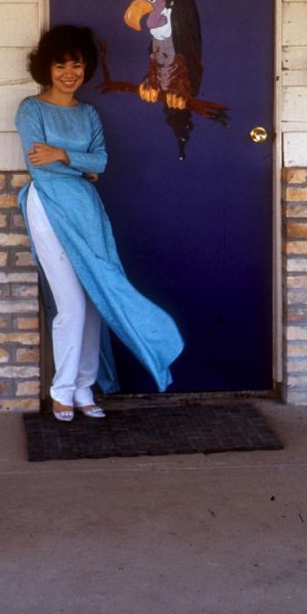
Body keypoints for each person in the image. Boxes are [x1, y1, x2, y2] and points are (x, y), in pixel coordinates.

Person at [15, 25, 184, 421]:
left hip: (88, 209)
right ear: (46, 68)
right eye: (60, 65)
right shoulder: (31, 109)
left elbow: (101, 162)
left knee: (94, 299)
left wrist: (62, 154)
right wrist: (79, 164)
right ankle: (62, 389)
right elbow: (39, 166)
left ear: (86, 68)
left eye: (76, 65)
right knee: (71, 304)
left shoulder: (88, 113)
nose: (69, 73)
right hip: (49, 205)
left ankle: (84, 387)